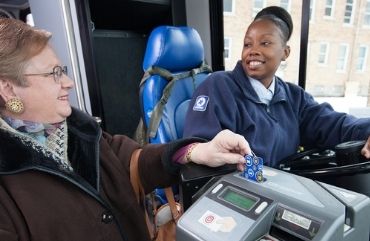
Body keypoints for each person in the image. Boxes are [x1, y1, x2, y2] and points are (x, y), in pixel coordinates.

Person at [0, 18, 251, 241]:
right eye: (54, 74)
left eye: (62, 71)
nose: (69, 83)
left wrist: (196, 151)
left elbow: (133, 161)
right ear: (8, 89)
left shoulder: (81, 131)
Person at [183, 6, 370, 168]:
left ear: (285, 52)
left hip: (285, 187)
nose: (253, 50)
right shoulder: (218, 87)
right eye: (248, 44)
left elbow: (333, 125)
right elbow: (199, 151)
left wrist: (367, 132)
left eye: (265, 43)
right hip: (239, 194)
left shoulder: (294, 97)